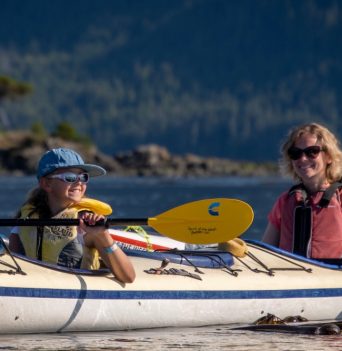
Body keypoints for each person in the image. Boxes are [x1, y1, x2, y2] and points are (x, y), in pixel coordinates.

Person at [9, 147, 136, 283]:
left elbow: (128, 277)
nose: (79, 183)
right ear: (46, 184)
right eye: (70, 177)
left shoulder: (87, 225)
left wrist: (102, 235)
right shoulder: (26, 219)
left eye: (83, 177)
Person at [262, 122, 342, 261]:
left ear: (329, 156)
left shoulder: (340, 198)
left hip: (332, 277)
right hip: (291, 278)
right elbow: (264, 252)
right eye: (296, 153)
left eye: (312, 152)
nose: (303, 159)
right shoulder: (285, 201)